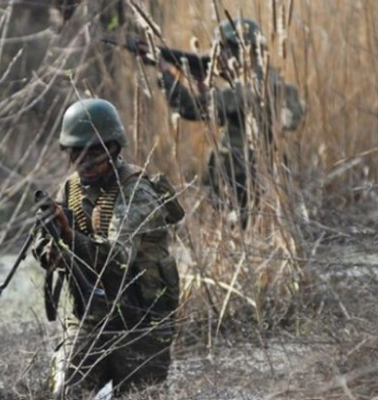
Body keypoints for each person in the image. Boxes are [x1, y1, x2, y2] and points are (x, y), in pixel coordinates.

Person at [33, 98, 182, 398]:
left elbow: (117, 258)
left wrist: (70, 238)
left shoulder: (136, 192)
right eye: (77, 153)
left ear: (113, 148)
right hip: (91, 314)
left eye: (95, 152)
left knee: (140, 395)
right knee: (64, 393)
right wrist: (49, 251)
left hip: (141, 321)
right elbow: (47, 240)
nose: (85, 162)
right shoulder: (71, 189)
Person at [158, 18, 304, 228]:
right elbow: (219, 113)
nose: (219, 59)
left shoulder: (245, 90)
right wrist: (201, 84)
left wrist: (165, 74)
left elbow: (188, 109)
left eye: (224, 51)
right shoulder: (277, 85)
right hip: (266, 181)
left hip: (241, 181)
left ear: (245, 52)